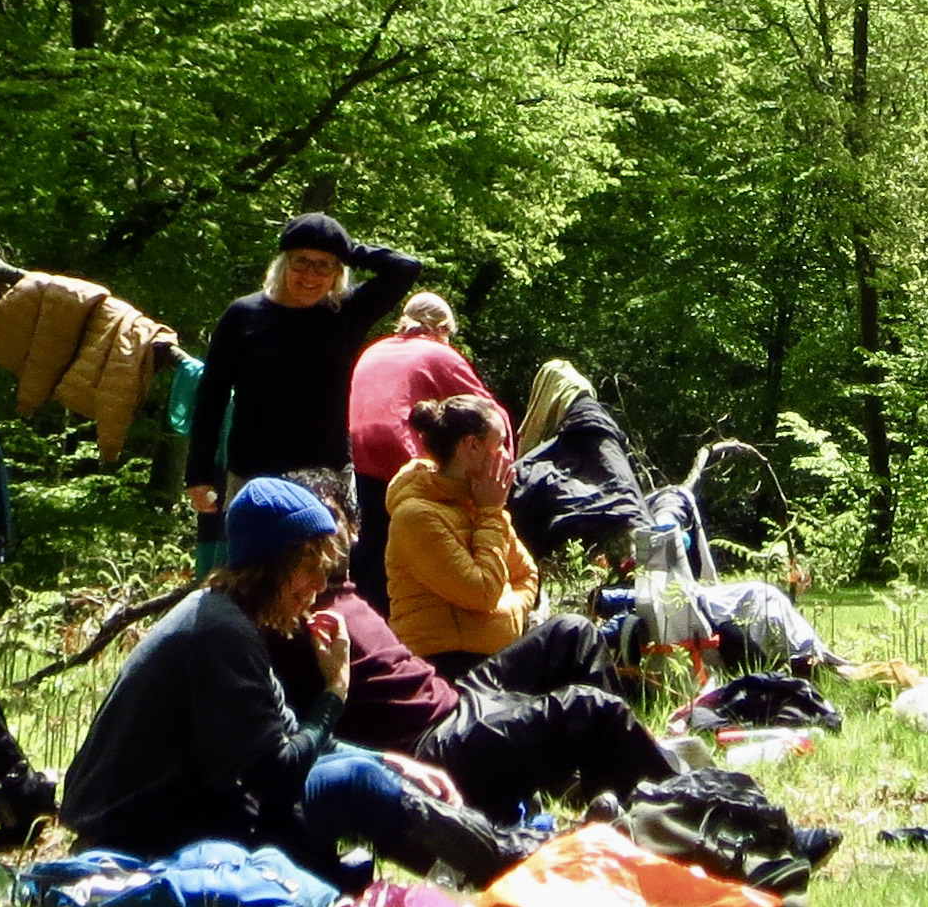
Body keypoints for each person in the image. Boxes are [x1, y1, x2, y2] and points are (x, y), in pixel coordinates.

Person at [60, 478, 527, 888]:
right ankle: (512, 869)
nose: (316, 586)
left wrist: (391, 761)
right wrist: (334, 692)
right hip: (142, 832)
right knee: (353, 783)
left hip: (181, 810)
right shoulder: (220, 633)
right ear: (269, 565)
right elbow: (280, 771)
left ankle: (508, 851)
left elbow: (283, 737)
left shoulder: (230, 617)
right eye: (307, 568)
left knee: (367, 771)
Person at [282, 470, 677, 818]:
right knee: (589, 708)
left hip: (452, 697)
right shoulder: (294, 611)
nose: (328, 535)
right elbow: (293, 730)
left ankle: (608, 784)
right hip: (431, 744)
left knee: (571, 632)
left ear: (352, 529)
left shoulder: (341, 588)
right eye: (315, 526)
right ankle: (682, 808)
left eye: (333, 519)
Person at [184, 214, 423, 565]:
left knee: (324, 584)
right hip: (254, 474)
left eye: (324, 266)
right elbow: (211, 394)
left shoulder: (346, 313)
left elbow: (406, 268)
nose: (311, 276)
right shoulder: (244, 315)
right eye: (302, 262)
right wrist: (200, 474)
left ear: (338, 273)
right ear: (283, 264)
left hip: (325, 473)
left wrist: (347, 248)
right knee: (253, 581)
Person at [344, 292, 501, 610]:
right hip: (399, 456)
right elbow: (491, 415)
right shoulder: (439, 354)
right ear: (442, 329)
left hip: (353, 455)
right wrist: (498, 471)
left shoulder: (374, 349)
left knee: (371, 550)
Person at [383, 394, 541, 677]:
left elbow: (527, 576)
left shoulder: (476, 503)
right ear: (471, 446)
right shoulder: (416, 516)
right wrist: (491, 512)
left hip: (495, 656)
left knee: (574, 635)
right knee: (572, 634)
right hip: (448, 668)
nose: (508, 456)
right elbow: (482, 593)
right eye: (501, 443)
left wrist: (507, 615)